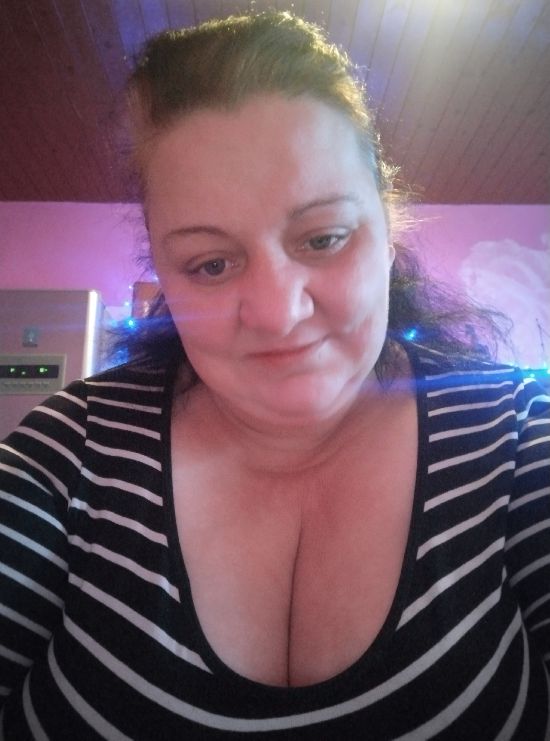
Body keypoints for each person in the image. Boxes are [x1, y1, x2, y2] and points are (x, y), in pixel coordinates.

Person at [1, 10, 549, 740]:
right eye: (211, 264)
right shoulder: (69, 452)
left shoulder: (519, 436)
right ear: (163, 270)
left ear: (389, 231)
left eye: (323, 238)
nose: (278, 313)